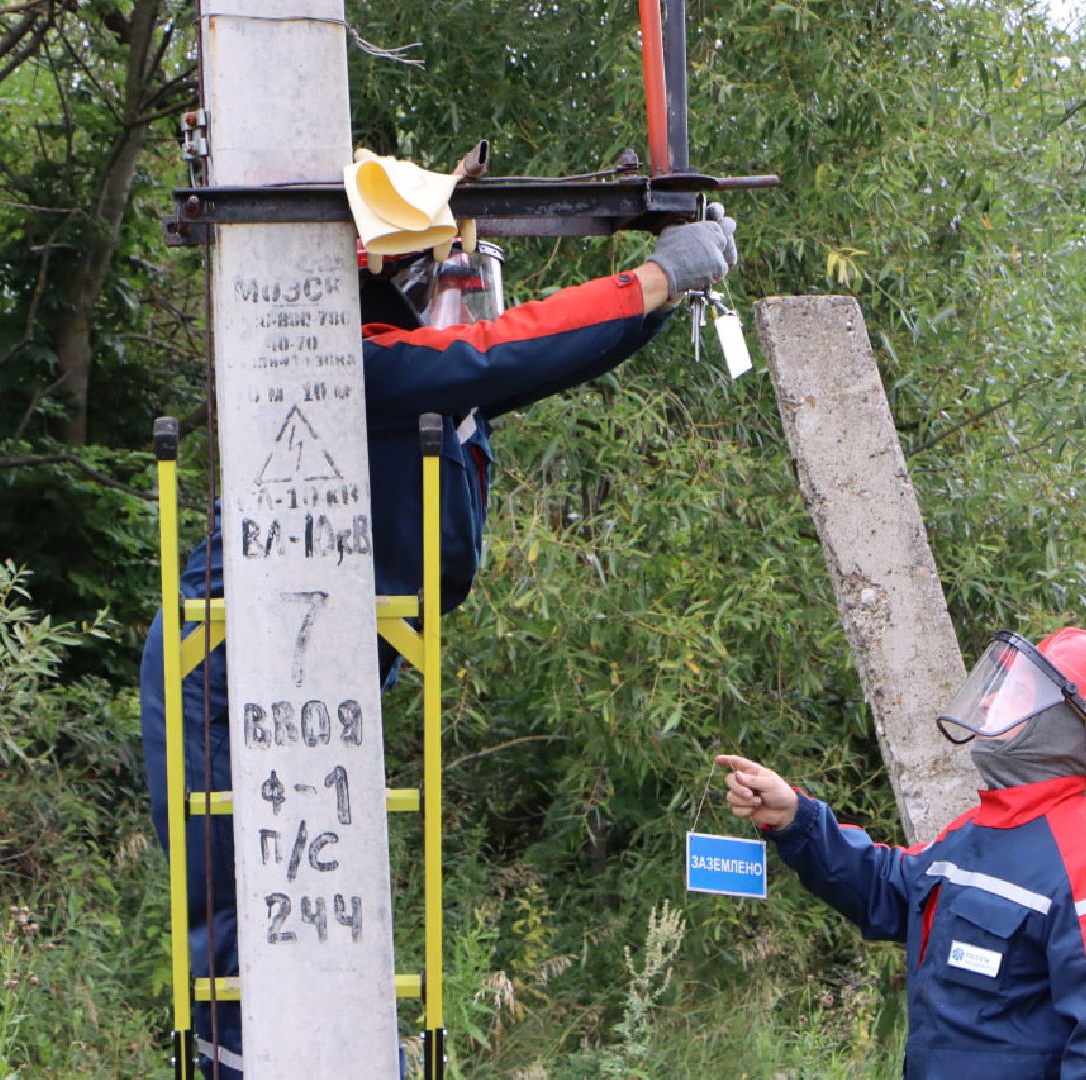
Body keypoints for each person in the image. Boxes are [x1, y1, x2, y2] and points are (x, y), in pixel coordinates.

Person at [140, 210, 740, 1078]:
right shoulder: (358, 360)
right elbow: (503, 351)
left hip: (315, 637)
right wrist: (654, 279)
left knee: (316, 857)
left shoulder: (399, 368)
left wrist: (653, 298)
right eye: (433, 268)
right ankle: (245, 1051)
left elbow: (525, 357)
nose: (450, 287)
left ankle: (326, 1037)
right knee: (236, 878)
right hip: (230, 647)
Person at [717, 627, 1086, 1079]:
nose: (989, 701)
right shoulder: (976, 831)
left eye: (1018, 693)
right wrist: (796, 818)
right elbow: (890, 890)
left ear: (1075, 724)